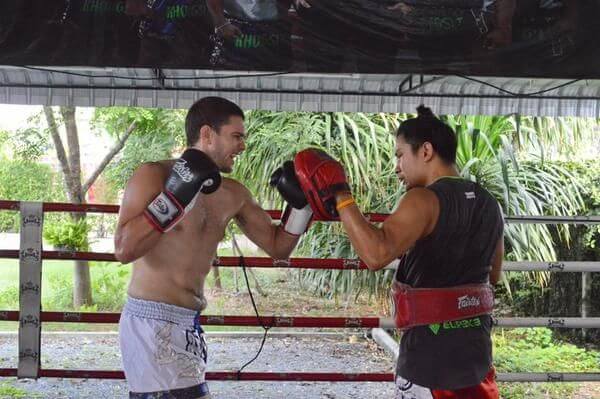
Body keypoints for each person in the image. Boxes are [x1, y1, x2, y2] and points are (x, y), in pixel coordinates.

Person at [290, 106, 504, 398]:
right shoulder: (491, 204)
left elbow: (376, 255)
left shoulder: (423, 199)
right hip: (477, 363)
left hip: (429, 367)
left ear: (426, 151)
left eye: (400, 154)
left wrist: (341, 195)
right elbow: (494, 274)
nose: (397, 166)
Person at [114, 96, 312, 398]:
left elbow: (279, 247)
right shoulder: (153, 175)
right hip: (150, 321)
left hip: (189, 323)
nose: (242, 146)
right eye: (236, 136)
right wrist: (174, 199)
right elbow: (124, 250)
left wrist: (302, 206)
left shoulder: (234, 193)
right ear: (207, 134)